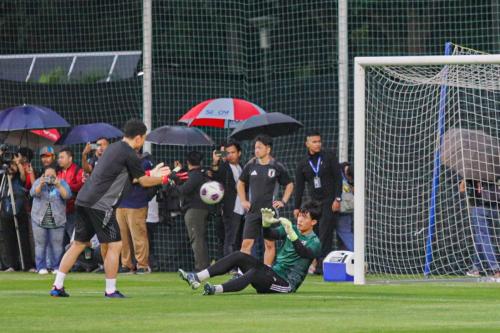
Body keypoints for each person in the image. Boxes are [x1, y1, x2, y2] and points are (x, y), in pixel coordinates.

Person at [50, 118, 171, 298]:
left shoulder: (113, 149)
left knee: (77, 244)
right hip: (101, 204)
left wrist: (151, 174)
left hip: (83, 200)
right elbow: (144, 181)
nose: (143, 142)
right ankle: (110, 290)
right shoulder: (130, 153)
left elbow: (130, 177)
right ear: (138, 138)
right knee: (115, 245)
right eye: (144, 138)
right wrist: (163, 179)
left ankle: (57, 286)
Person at [178, 200, 321, 295]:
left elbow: (304, 252)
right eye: (300, 216)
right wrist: (265, 224)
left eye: (305, 217)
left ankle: (216, 289)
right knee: (239, 255)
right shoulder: (293, 228)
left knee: (253, 273)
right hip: (273, 273)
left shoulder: (314, 241)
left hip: (286, 284)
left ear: (313, 222)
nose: (300, 220)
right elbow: (270, 234)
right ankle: (197, 277)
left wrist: (291, 233)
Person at [237, 134, 293, 266]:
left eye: (260, 148)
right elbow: (240, 183)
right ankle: (242, 272)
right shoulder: (250, 166)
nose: (256, 150)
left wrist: (283, 202)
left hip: (270, 212)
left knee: (269, 243)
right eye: (256, 147)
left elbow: (289, 184)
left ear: (268, 150)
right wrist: (244, 201)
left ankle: (267, 271)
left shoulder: (276, 166)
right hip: (253, 211)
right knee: (246, 243)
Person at [294, 131, 343, 275]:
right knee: (313, 233)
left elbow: (338, 179)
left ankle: (322, 266)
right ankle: (313, 263)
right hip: (313, 202)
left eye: (319, 141)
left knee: (325, 233)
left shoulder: (329, 157)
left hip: (329, 200)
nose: (318, 144)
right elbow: (299, 186)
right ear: (307, 144)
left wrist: (337, 198)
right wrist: (297, 207)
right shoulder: (303, 162)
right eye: (314, 142)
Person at [168, 151, 209, 272]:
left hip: (194, 210)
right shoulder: (199, 174)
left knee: (196, 238)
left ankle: (200, 267)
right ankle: (204, 266)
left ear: (187, 162)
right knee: (199, 238)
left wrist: (171, 185)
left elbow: (182, 190)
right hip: (200, 209)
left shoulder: (195, 175)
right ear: (201, 162)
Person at [116, 150, 155, 275]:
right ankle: (126, 264)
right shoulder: (122, 163)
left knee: (138, 236)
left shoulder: (144, 163)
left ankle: (142, 265)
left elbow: (131, 178)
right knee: (123, 238)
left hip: (137, 204)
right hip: (121, 203)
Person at [30, 166, 71, 274]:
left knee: (57, 245)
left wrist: (58, 185)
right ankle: (41, 267)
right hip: (39, 219)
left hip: (57, 220)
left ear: (56, 175)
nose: (49, 178)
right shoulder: (39, 182)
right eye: (47, 176)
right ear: (43, 175)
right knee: (40, 244)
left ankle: (56, 267)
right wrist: (41, 183)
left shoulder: (62, 183)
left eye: (52, 176)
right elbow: (33, 193)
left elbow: (67, 196)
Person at [0, 158, 36, 272]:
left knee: (24, 238)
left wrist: (18, 163)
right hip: (6, 212)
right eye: (9, 165)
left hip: (20, 211)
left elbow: (23, 176)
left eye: (13, 165)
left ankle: (28, 264)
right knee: (9, 239)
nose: (11, 168)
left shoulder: (19, 179)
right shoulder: (3, 179)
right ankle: (13, 264)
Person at [211, 142, 245, 259]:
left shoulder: (242, 166)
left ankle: (239, 265)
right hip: (230, 208)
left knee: (241, 239)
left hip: (244, 208)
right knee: (230, 239)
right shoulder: (224, 167)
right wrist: (215, 162)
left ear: (239, 153)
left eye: (233, 152)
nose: (230, 155)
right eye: (228, 153)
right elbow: (215, 176)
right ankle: (229, 266)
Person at [460, 180, 500, 277]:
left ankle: (495, 269)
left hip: (479, 206)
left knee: (484, 236)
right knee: (480, 237)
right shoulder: (492, 170)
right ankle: (476, 267)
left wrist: (465, 183)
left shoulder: (473, 171)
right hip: (494, 207)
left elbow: (461, 188)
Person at [57, 147, 84, 246]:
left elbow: (82, 185)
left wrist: (66, 187)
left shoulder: (77, 170)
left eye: (62, 157)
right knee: (62, 242)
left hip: (73, 211)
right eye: (58, 157)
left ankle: (76, 261)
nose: (59, 160)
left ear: (70, 158)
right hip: (61, 213)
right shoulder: (58, 173)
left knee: (74, 241)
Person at [336, 162, 354, 252]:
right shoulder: (335, 170)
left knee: (345, 232)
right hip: (331, 207)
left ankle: (357, 256)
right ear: (346, 174)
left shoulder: (353, 170)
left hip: (345, 212)